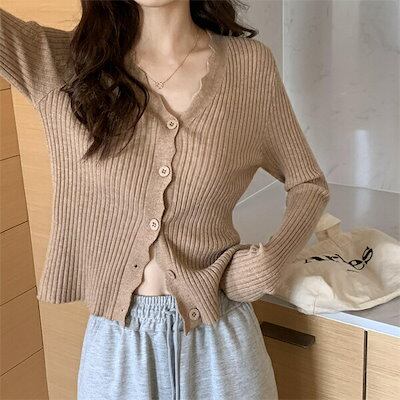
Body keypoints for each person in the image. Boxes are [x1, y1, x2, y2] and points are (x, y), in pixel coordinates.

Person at [0, 1, 330, 399]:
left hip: (220, 339)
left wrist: (269, 264)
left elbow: (309, 183)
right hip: (119, 348)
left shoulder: (249, 68)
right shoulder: (63, 65)